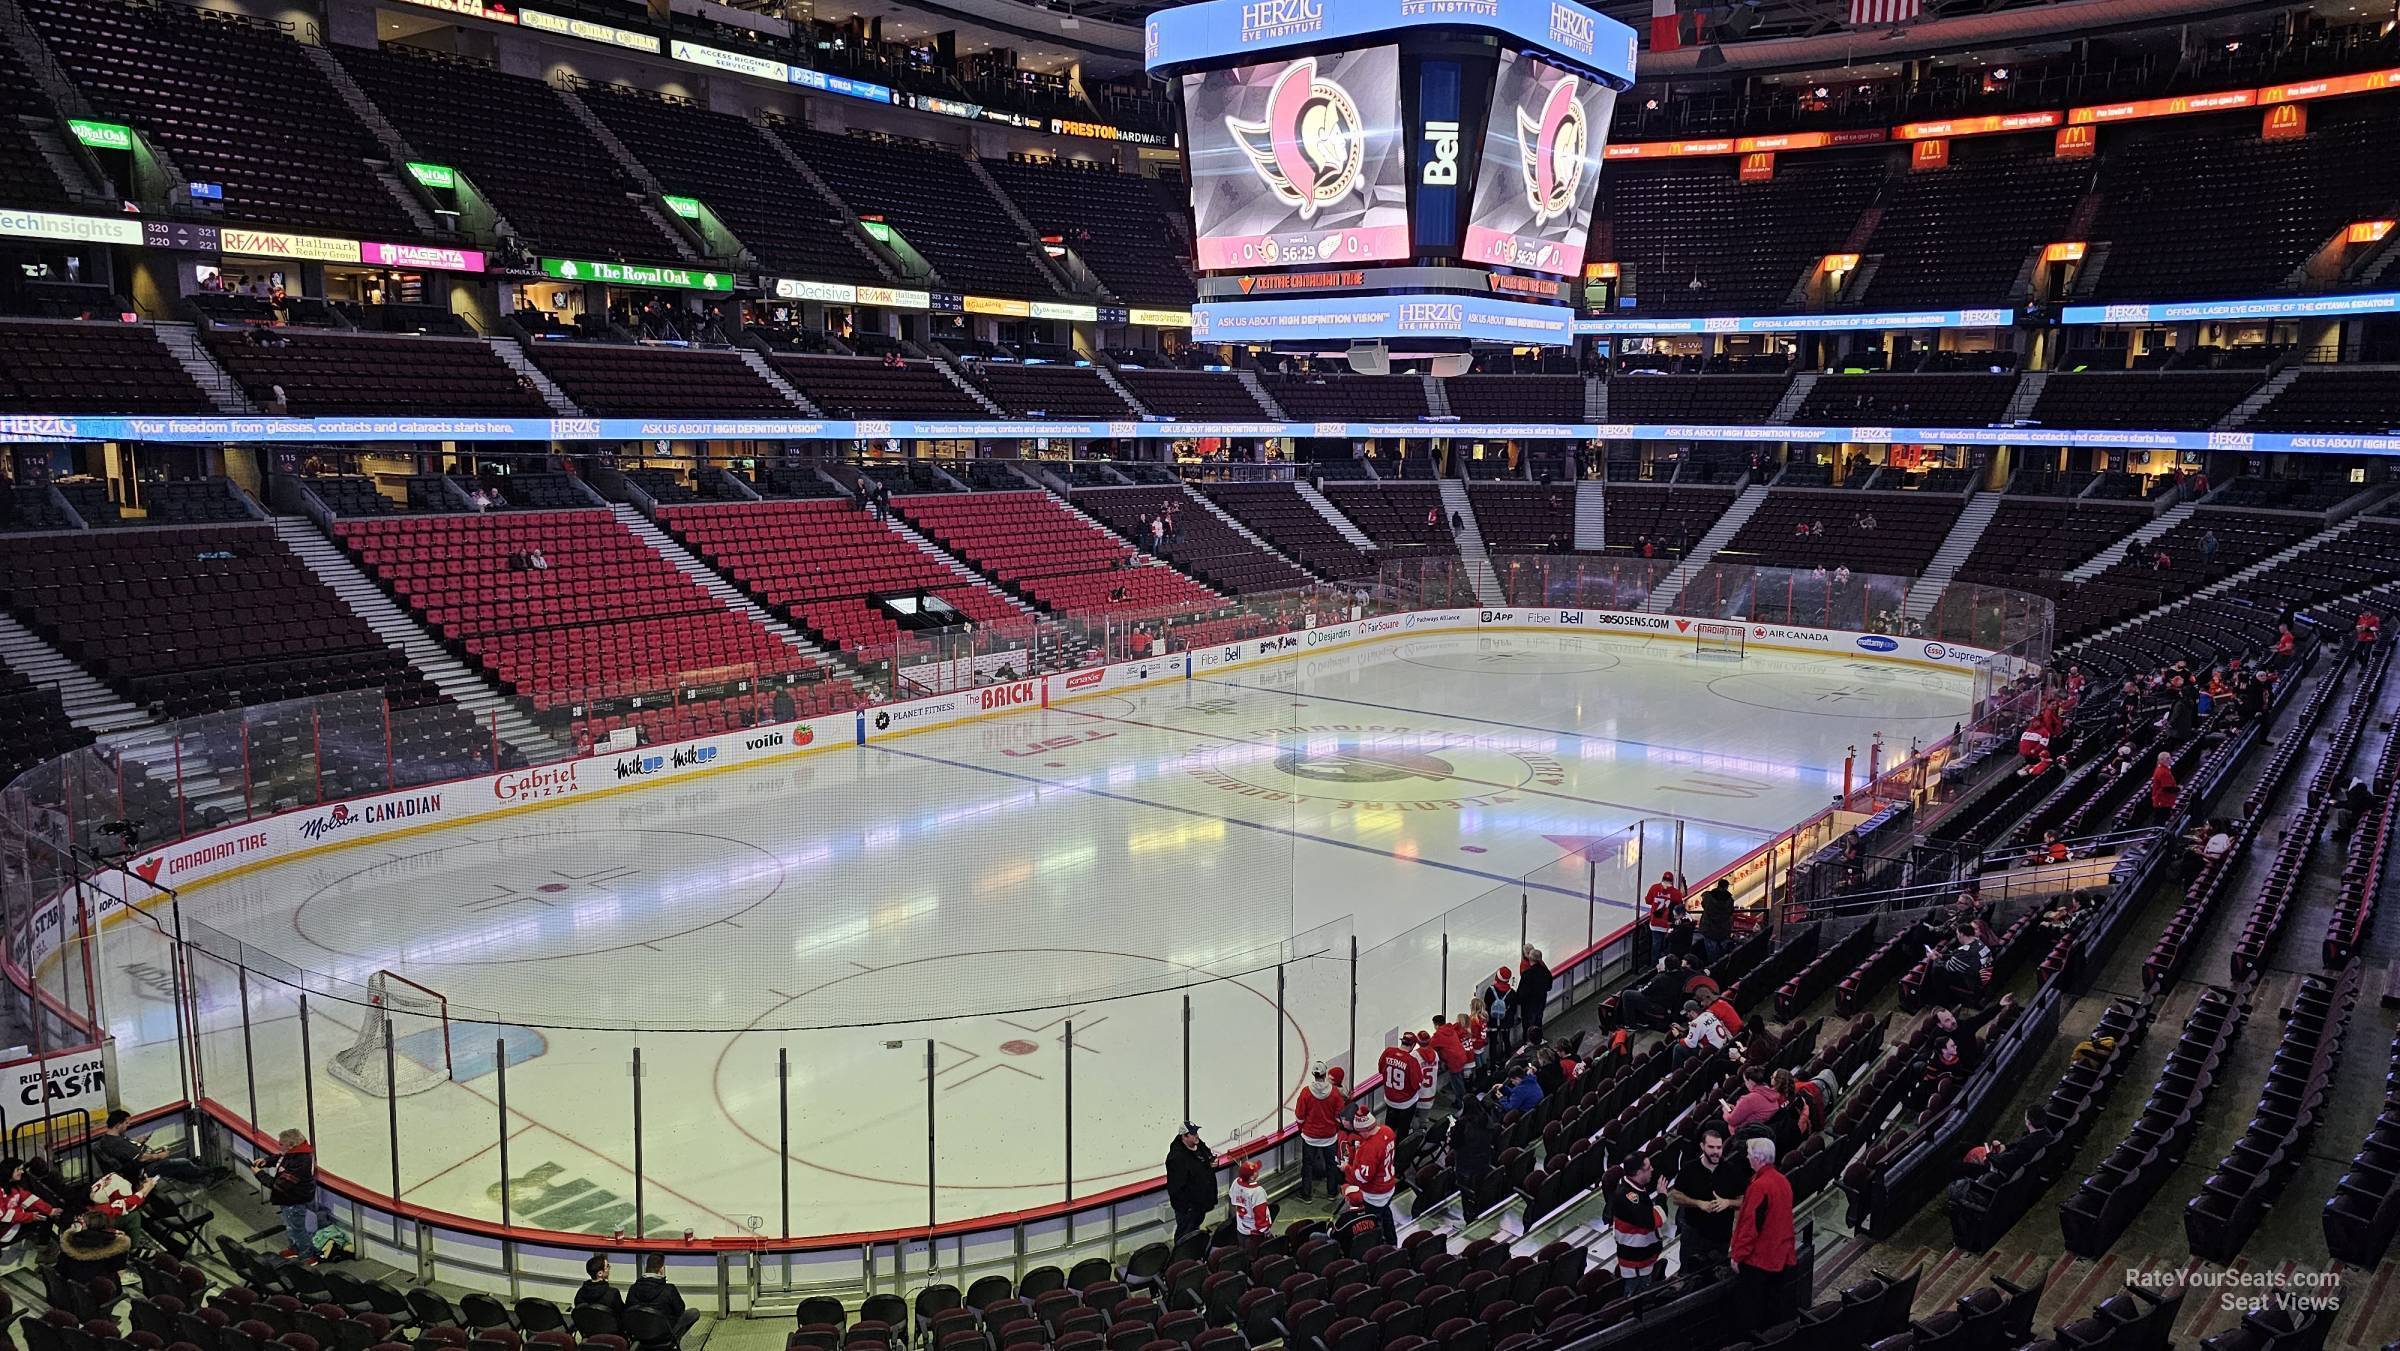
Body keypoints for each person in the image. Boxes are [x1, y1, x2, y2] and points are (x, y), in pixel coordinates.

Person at [1730, 1136, 1797, 1330]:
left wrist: (1737, 1255)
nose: (1747, 1158)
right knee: (1772, 1310)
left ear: (1758, 1159)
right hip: (1781, 1256)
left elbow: (1751, 1227)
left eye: (1749, 1155)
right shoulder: (1782, 1180)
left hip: (1760, 1262)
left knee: (1751, 1315)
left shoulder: (1759, 1187)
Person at [1667, 1124, 1749, 1277]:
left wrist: (1728, 1203)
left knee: (1715, 1275)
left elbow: (1744, 1201)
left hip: (1721, 1237)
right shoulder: (1689, 1169)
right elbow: (1676, 1197)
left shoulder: (1732, 1171)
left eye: (1719, 1147)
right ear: (1702, 1146)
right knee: (1688, 1274)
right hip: (1694, 1235)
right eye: (1711, 1147)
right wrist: (1698, 1203)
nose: (1716, 1152)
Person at [90, 1109, 215, 1186]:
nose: (128, 1125)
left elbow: (127, 1151)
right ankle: (206, 1173)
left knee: (176, 1168)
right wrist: (160, 1156)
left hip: (141, 1164)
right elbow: (142, 1158)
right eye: (126, 1123)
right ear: (118, 1124)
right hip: (144, 1169)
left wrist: (138, 1142)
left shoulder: (108, 1138)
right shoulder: (117, 1143)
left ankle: (195, 1178)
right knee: (184, 1162)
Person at [250, 1127, 322, 1258]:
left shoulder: (301, 1161)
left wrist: (259, 1174)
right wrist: (266, 1161)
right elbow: (281, 1159)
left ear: (291, 1145)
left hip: (294, 1200)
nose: (278, 1145)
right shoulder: (294, 1153)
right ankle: (295, 1248)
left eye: (281, 1144)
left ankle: (308, 1255)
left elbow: (279, 1185)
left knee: (298, 1229)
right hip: (287, 1199)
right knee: (290, 1226)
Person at [1608, 1152, 1667, 1293]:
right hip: (1636, 1265)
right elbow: (1655, 1220)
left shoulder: (1634, 1187)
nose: (1652, 1169)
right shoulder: (1627, 1196)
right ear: (1638, 1172)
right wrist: (1662, 1196)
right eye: (1648, 1167)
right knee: (1635, 1299)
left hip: (1643, 1260)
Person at [1342, 1103, 1398, 1245]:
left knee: (1373, 1223)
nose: (1360, 1134)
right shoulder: (1388, 1131)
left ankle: (1377, 1248)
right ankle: (1392, 1242)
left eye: (1360, 1131)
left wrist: (1348, 1168)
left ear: (1365, 1130)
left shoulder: (1369, 1148)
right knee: (1386, 1213)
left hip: (1375, 1195)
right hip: (1389, 1186)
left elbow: (1363, 1177)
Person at [1293, 1060, 1346, 1201]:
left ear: (1314, 1074)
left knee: (1307, 1166)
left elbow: (1299, 1115)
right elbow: (1340, 1115)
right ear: (1325, 1074)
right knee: (1331, 1165)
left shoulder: (1306, 1093)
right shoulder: (1334, 1093)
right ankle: (1332, 1192)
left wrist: (1302, 1130)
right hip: (1329, 1136)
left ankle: (1306, 1194)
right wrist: (1334, 1128)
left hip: (1310, 1136)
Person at [624, 1253, 699, 1349]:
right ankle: (674, 1341)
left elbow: (628, 1310)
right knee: (693, 1313)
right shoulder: (669, 1289)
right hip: (663, 1335)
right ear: (661, 1269)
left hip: (640, 1334)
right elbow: (680, 1311)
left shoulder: (633, 1288)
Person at [1165, 1122, 1216, 1242]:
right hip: (1188, 1208)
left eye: (1196, 1132)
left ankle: (1193, 1252)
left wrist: (1212, 1163)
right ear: (1184, 1136)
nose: (1196, 1135)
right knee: (1185, 1234)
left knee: (1194, 1230)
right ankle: (1181, 1257)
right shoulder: (1176, 1158)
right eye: (1193, 1133)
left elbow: (1208, 1156)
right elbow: (1176, 1187)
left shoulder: (1198, 1144)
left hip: (1201, 1203)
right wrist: (1187, 1207)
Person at [56, 1209, 130, 1289]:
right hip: (98, 1293)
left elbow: (60, 1268)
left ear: (85, 1224)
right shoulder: (116, 1244)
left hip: (65, 1289)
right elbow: (118, 1272)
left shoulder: (70, 1240)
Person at [1378, 1034, 1426, 1140]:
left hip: (1390, 1099)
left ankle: (1387, 1147)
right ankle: (1400, 1151)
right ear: (1413, 1045)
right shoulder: (1411, 1061)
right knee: (1403, 1130)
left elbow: (1381, 1070)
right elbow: (1416, 1085)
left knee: (1389, 1128)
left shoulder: (1388, 1052)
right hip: (1406, 1103)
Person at [1722, 1064, 1783, 1135]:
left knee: (1713, 1123)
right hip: (1755, 1129)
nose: (1745, 1084)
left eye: (1745, 1081)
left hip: (1740, 1132)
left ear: (1750, 1081)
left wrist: (1725, 1111)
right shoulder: (1772, 1094)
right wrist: (1736, 1108)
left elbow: (1731, 1120)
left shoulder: (1749, 1099)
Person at [1516, 947, 1553, 1044]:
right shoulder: (1545, 971)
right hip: (1540, 1003)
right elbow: (1549, 986)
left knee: (1528, 1027)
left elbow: (1521, 993)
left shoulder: (1527, 974)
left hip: (1528, 1006)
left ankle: (1528, 1045)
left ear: (1530, 959)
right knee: (1538, 1022)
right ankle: (1539, 1041)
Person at [1228, 1158, 1270, 1239]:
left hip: (1241, 1228)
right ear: (1251, 1177)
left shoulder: (1236, 1182)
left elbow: (1231, 1197)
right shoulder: (1258, 1192)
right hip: (1254, 1232)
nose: (1258, 1171)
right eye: (1255, 1171)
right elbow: (1260, 1216)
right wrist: (1266, 1231)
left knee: (1242, 1249)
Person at [1699, 879, 1736, 959]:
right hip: (1723, 930)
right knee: (1722, 953)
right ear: (1726, 887)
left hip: (1709, 929)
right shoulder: (1729, 900)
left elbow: (1704, 905)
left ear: (1718, 885)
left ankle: (1712, 968)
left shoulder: (1709, 897)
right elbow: (1730, 912)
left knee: (1711, 954)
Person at [2147, 752, 2178, 824]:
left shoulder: (2163, 768)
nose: (2170, 760)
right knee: (2161, 820)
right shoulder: (2163, 772)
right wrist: (2178, 789)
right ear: (2161, 760)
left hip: (2164, 800)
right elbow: (2167, 788)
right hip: (2162, 801)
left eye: (2170, 758)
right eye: (2167, 759)